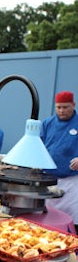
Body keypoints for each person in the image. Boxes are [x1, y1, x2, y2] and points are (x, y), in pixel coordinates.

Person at [40, 91, 78, 230]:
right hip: (48, 181)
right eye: (58, 107)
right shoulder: (47, 123)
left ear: (73, 105)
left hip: (72, 182)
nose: (61, 111)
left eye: (65, 107)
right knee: (47, 220)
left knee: (72, 221)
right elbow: (39, 146)